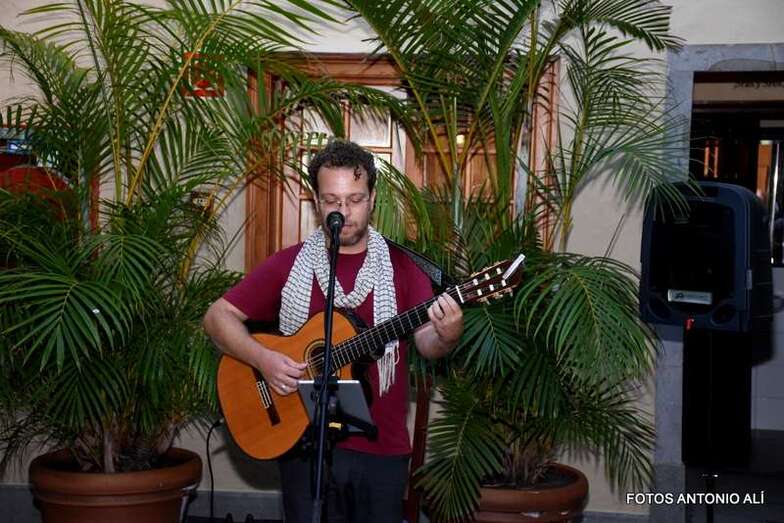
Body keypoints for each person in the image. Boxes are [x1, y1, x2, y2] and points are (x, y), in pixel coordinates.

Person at [202, 139, 464, 523]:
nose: (344, 211)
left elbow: (427, 343)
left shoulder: (403, 267)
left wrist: (448, 333)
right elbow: (217, 317)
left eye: (355, 199)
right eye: (332, 200)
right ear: (316, 201)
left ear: (373, 198)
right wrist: (264, 359)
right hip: (304, 443)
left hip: (383, 449)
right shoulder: (290, 265)